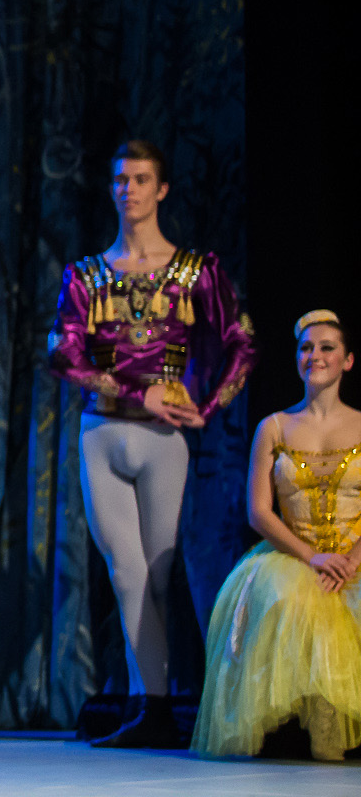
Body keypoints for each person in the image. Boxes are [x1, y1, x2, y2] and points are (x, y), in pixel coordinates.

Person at [46, 139, 257, 748]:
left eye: (140, 180)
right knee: (127, 570)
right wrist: (140, 394)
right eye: (120, 180)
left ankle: (157, 702)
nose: (128, 190)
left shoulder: (195, 272)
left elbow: (241, 342)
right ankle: (153, 706)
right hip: (104, 431)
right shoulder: (87, 275)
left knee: (158, 577)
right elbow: (63, 352)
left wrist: (207, 408)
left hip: (166, 441)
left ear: (161, 189)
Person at [193, 310, 361, 761]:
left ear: (347, 360)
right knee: (280, 596)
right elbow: (259, 512)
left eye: (327, 347)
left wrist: (349, 560)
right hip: (296, 555)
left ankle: (334, 744)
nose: (315, 355)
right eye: (306, 348)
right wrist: (313, 557)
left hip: (354, 557)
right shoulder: (275, 426)